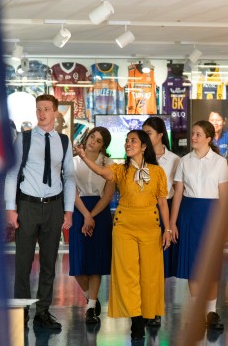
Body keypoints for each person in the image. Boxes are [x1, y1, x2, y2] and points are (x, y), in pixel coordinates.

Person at [74, 130, 173, 341]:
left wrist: (168, 228)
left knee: (149, 275)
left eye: (133, 141)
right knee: (127, 275)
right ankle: (136, 319)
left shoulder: (157, 172)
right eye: (127, 141)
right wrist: (83, 157)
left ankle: (148, 313)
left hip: (150, 226)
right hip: (124, 227)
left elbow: (163, 202)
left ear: (144, 146)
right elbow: (102, 172)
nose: (128, 144)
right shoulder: (119, 169)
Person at [4, 94, 75, 330]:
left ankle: (42, 312)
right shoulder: (23, 139)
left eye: (46, 109)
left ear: (56, 112)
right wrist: (11, 209)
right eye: (38, 109)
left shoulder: (64, 142)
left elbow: (70, 178)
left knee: (48, 263)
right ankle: (21, 311)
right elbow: (12, 174)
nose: (42, 113)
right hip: (28, 205)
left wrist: (68, 210)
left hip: (53, 207)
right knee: (23, 263)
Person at [170, 120, 228, 330]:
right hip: (188, 214)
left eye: (197, 134)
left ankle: (211, 312)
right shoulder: (184, 161)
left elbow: (224, 195)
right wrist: (172, 223)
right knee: (193, 265)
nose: (193, 138)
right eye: (192, 134)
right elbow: (178, 193)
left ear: (208, 138)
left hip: (212, 215)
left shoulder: (220, 162)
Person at [66, 127, 115, 324]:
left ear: (104, 146)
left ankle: (91, 307)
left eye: (99, 140)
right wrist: (85, 215)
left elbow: (108, 195)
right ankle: (90, 298)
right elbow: (71, 191)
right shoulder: (73, 161)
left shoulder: (109, 164)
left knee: (96, 263)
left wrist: (92, 215)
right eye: (92, 137)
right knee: (78, 265)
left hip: (100, 213)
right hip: (79, 210)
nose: (93, 141)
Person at [142, 116, 180, 327]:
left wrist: (170, 224)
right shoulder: (138, 158)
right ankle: (144, 306)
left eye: (148, 133)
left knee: (159, 264)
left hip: (163, 211)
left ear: (160, 135)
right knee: (143, 263)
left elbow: (175, 193)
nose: (145, 137)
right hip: (142, 211)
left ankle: (154, 308)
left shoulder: (174, 160)